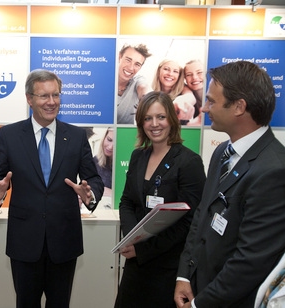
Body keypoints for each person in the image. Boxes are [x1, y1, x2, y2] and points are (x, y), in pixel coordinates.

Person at [0, 69, 104, 308]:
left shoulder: (77, 136)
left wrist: (90, 194)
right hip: (24, 242)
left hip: (64, 240)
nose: (51, 102)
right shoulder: (9, 135)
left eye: (56, 95)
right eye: (43, 96)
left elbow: (94, 179)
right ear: (29, 99)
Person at [174, 61, 285, 308]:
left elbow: (250, 262)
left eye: (212, 101)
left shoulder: (274, 170)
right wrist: (184, 275)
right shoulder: (223, 152)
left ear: (238, 107)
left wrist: (199, 304)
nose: (203, 108)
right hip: (200, 287)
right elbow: (202, 215)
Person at [114, 91, 205, 308]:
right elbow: (127, 202)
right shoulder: (138, 156)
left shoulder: (189, 162)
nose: (155, 124)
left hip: (168, 267)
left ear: (172, 121)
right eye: (148, 118)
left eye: (161, 117)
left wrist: (142, 249)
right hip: (136, 265)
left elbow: (189, 222)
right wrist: (131, 238)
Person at [152, 59, 196, 125]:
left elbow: (190, 97)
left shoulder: (183, 88)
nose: (170, 74)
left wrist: (179, 102)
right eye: (166, 69)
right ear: (159, 71)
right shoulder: (151, 91)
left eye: (175, 71)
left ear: (179, 76)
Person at [116, 44, 152, 125]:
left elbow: (144, 88)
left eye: (137, 64)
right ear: (119, 57)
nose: (131, 68)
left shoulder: (138, 80)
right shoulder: (103, 80)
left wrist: (146, 100)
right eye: (128, 60)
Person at [93, 127, 113, 197]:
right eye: (109, 140)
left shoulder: (126, 163)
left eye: (116, 143)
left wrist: (113, 193)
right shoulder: (95, 161)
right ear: (104, 137)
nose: (110, 147)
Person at [184, 60, 204, 126]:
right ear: (185, 79)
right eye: (189, 75)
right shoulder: (186, 91)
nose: (194, 77)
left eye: (199, 72)